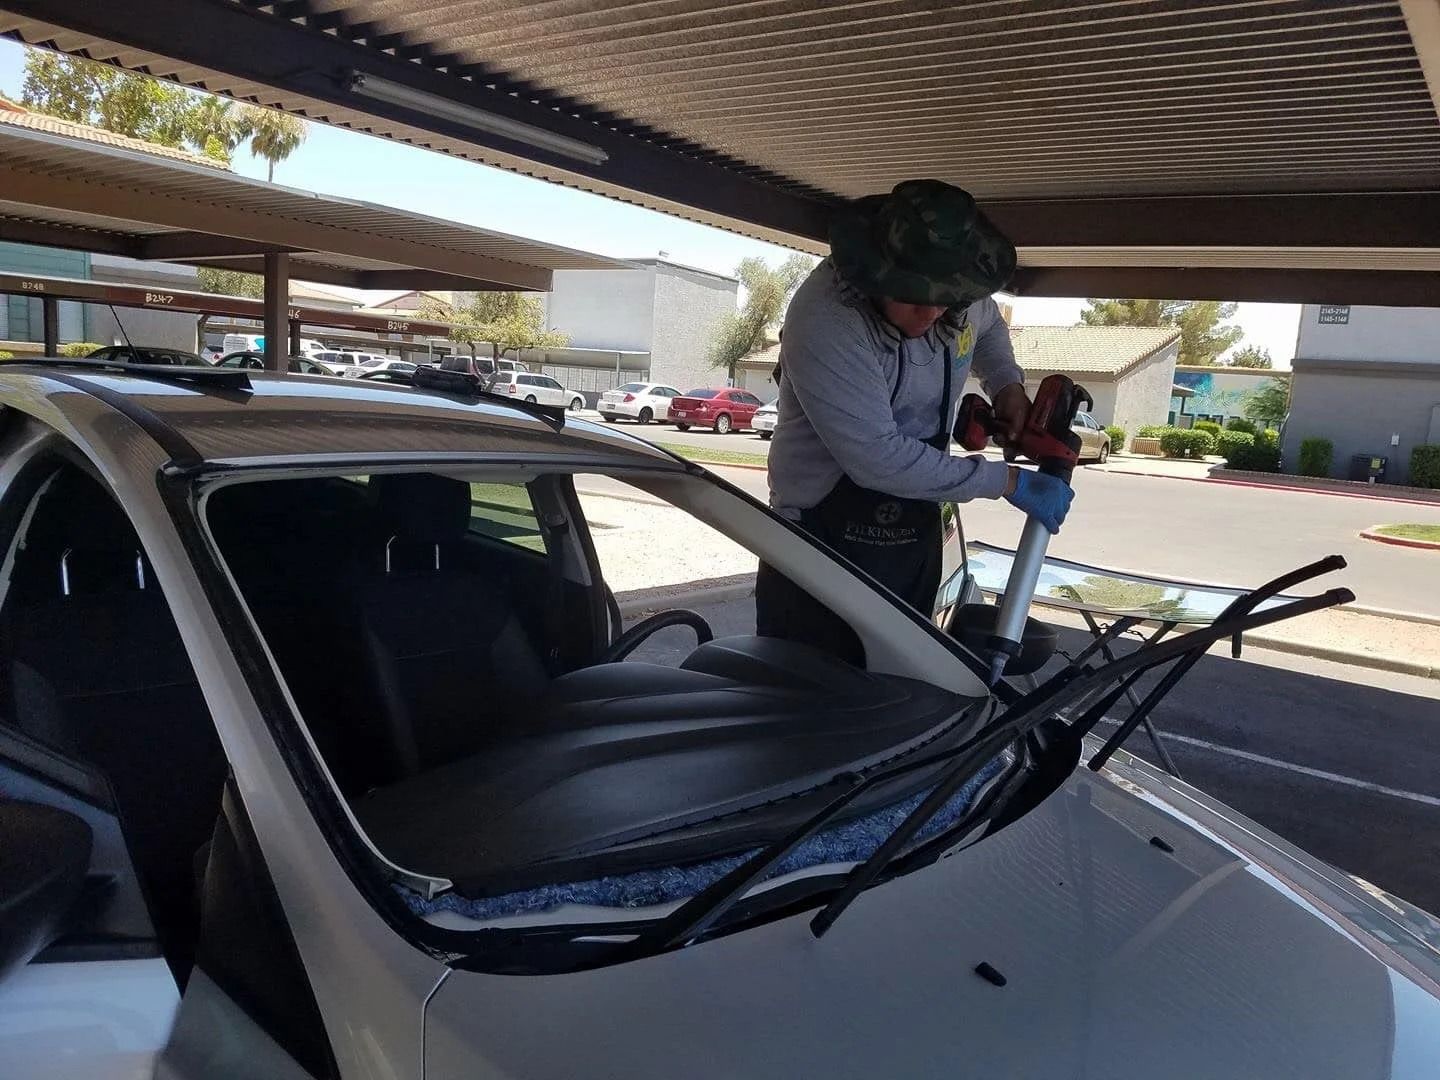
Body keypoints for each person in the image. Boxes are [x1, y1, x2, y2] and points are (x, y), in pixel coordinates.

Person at [757, 178, 1074, 663]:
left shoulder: (958, 292)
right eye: (913, 296)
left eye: (945, 297)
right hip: (819, 545)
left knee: (907, 686)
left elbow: (986, 325)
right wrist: (1006, 481)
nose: (931, 311)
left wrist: (1007, 385)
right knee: (808, 703)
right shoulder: (827, 318)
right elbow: (877, 458)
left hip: (913, 532)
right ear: (874, 273)